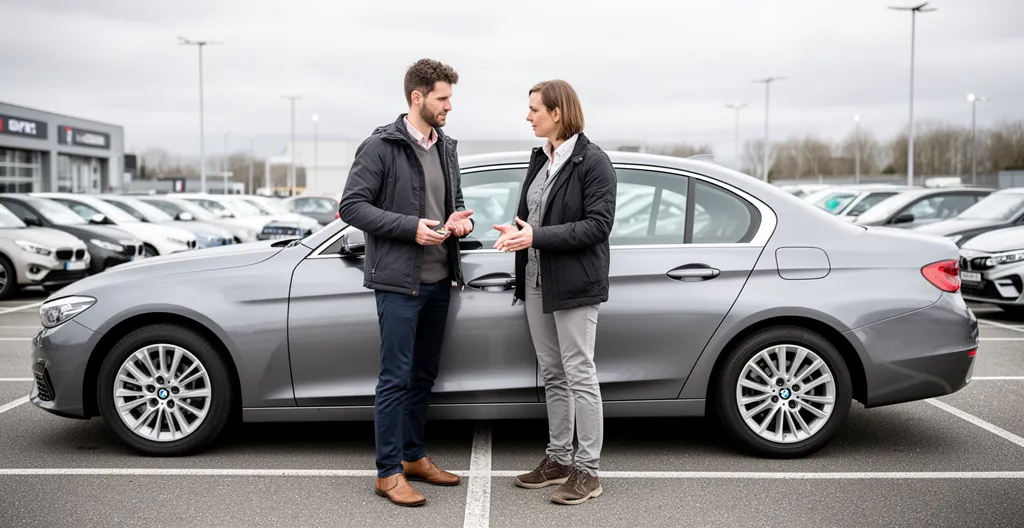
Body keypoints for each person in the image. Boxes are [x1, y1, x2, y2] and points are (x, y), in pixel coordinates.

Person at [338, 58, 474, 507]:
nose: (450, 106)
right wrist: (409, 226)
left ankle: (415, 457)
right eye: (443, 98)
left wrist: (458, 221)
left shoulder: (445, 146)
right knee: (395, 378)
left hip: (439, 280)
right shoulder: (380, 147)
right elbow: (353, 207)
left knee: (423, 377)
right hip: (399, 284)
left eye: (450, 98)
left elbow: (449, 201)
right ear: (417, 98)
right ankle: (388, 472)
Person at [493, 79, 616, 505]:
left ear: (557, 113)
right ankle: (559, 459)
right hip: (536, 281)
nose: (528, 116)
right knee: (552, 374)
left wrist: (536, 237)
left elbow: (597, 226)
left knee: (580, 372)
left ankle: (588, 470)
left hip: (574, 284)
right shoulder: (542, 158)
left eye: (534, 109)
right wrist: (518, 232)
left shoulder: (592, 161)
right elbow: (535, 218)